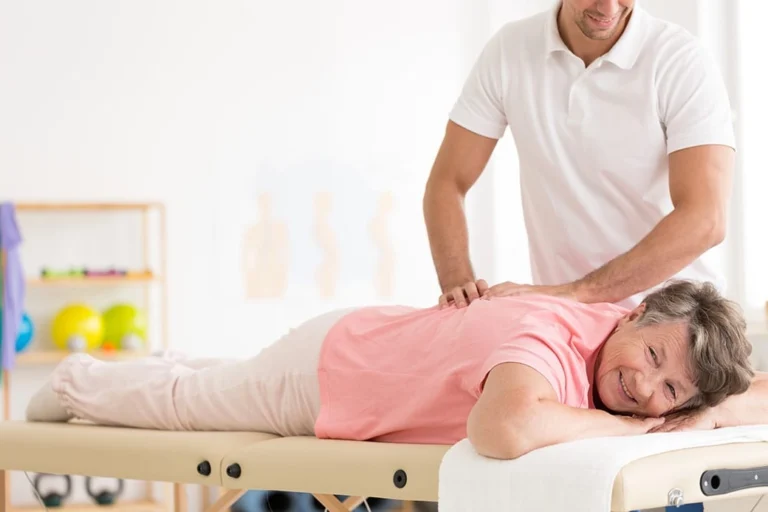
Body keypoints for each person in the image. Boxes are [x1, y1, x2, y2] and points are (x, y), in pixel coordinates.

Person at [26, 280, 757, 460]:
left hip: (359, 347)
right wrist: (630, 432)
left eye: (668, 391)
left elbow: (744, 399)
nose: (644, 388)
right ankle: (72, 383)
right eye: (652, 358)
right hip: (327, 376)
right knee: (193, 403)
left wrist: (709, 410)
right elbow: (503, 429)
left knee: (221, 380)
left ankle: (158, 365)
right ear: (632, 315)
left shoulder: (606, 329)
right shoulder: (544, 338)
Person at [423, 0, 736, 310]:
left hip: (674, 318)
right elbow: (448, 182)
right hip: (568, 317)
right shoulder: (510, 50)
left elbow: (706, 219)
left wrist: (576, 292)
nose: (609, 9)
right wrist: (458, 290)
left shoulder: (680, 60)